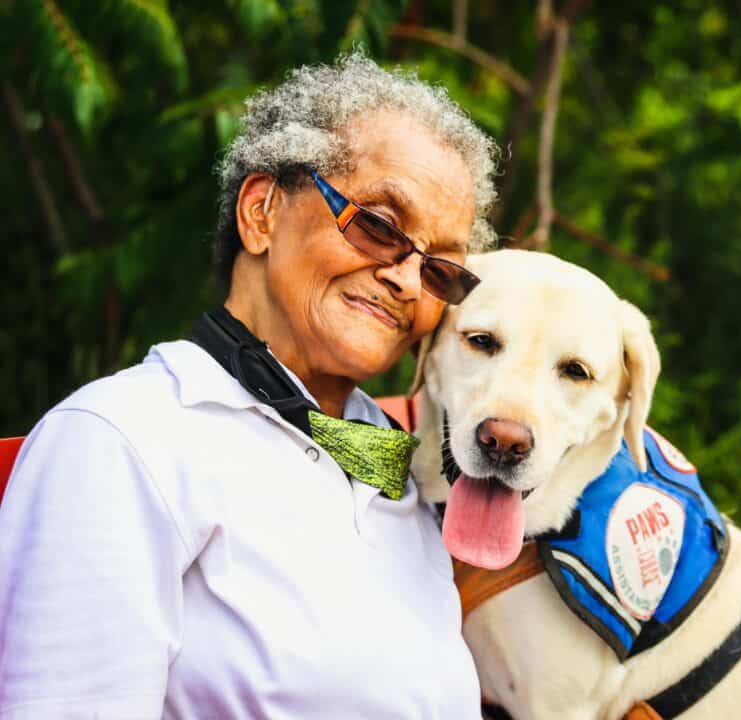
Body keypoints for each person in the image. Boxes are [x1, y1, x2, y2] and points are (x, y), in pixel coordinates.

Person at [0, 52, 499, 719]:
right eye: (379, 227)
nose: (407, 281)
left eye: (440, 270)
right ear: (262, 212)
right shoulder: (123, 439)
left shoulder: (403, 471)